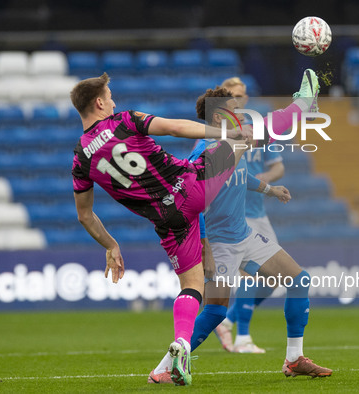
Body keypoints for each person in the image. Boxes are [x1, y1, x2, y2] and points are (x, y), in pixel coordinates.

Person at [149, 70, 332, 384]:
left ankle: (294, 358)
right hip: (220, 244)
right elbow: (196, 205)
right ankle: (163, 368)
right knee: (216, 311)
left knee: (298, 279)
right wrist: (204, 250)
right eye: (233, 112)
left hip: (245, 234)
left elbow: (249, 163)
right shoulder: (207, 153)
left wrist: (269, 189)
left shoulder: (231, 142)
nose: (239, 117)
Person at [70, 73, 250, 386]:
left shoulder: (81, 159)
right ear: (99, 103)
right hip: (192, 186)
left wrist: (111, 246)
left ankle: (180, 344)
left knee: (191, 287)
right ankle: (297, 111)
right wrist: (224, 130)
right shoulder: (125, 120)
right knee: (244, 138)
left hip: (168, 221)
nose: (113, 101)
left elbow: (84, 215)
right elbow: (177, 127)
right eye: (109, 96)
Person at [214, 76, 288, 354]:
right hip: (233, 215)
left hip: (258, 212)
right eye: (233, 94)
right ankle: (242, 337)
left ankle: (229, 320)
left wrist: (263, 183)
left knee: (276, 278)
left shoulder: (258, 130)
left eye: (242, 95)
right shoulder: (214, 131)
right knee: (252, 277)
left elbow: (277, 167)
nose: (239, 99)